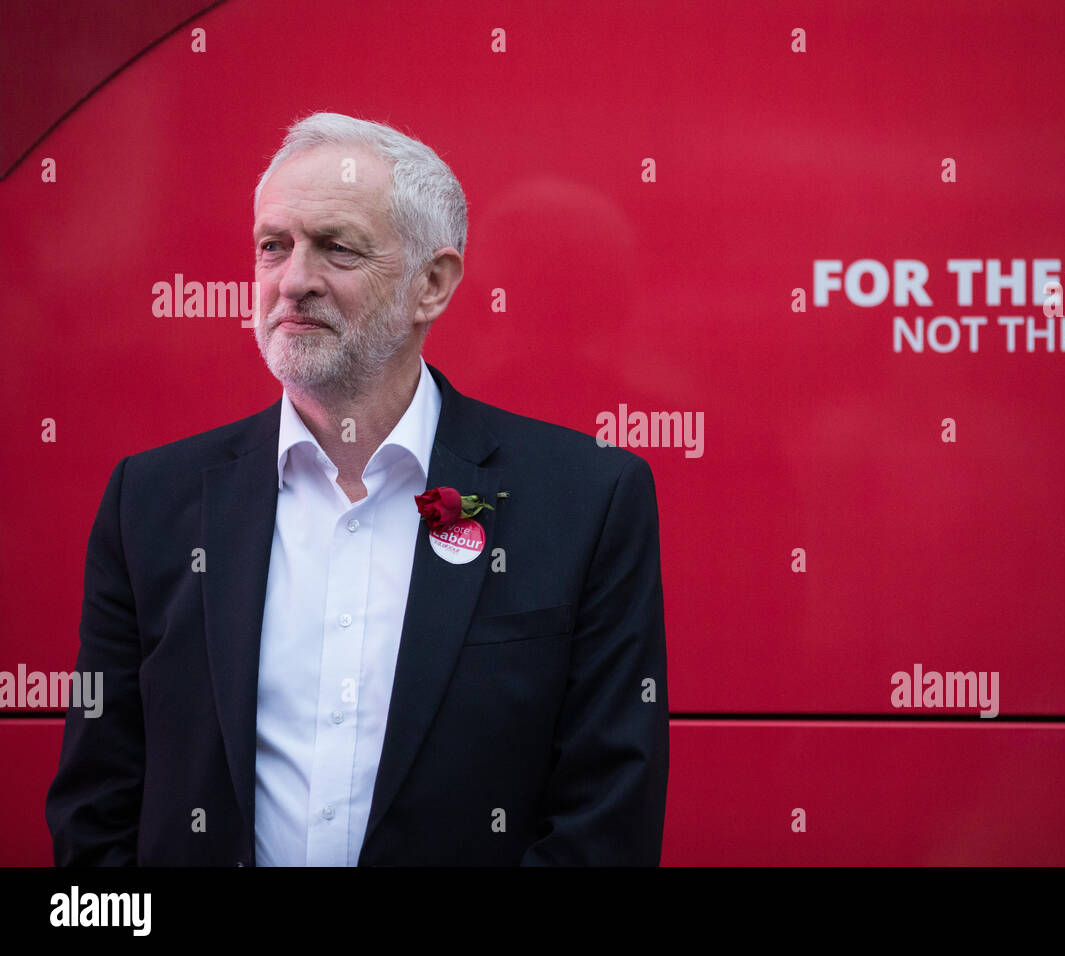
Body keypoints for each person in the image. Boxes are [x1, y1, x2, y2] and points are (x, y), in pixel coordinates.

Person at [45, 112, 669, 865]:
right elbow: (98, 804)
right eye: (273, 246)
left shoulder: (586, 499)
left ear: (431, 285)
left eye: (336, 248)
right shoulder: (150, 500)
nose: (292, 280)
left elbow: (604, 818)